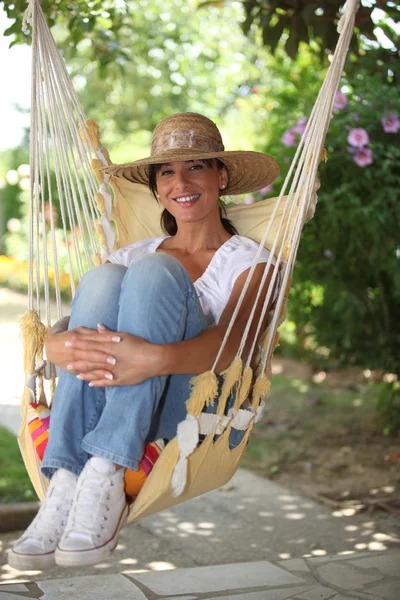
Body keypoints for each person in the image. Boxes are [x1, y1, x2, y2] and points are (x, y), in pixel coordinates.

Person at [9, 112, 279, 570]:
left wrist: (154, 359)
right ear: (157, 187)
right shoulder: (129, 254)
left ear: (221, 176)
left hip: (189, 407)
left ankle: (108, 469)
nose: (181, 182)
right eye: (167, 172)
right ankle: (70, 480)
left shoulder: (251, 262)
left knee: (155, 271)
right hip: (113, 395)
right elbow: (77, 329)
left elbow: (233, 345)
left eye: (195, 166)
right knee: (105, 277)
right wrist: (55, 345)